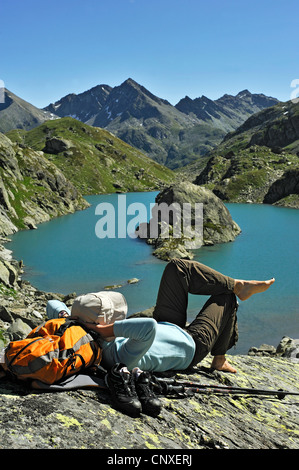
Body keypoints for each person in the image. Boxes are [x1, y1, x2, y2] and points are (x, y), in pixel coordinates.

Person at [45, 259, 275, 416]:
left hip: (168, 324)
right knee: (227, 298)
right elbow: (148, 327)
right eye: (113, 319)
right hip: (190, 345)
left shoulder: (79, 332)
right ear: (105, 325)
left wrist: (69, 317)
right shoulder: (118, 356)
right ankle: (219, 357)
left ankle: (239, 285)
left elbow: (51, 304)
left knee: (177, 267)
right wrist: (106, 331)